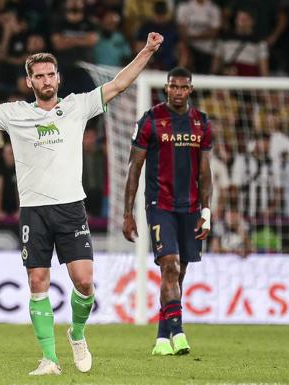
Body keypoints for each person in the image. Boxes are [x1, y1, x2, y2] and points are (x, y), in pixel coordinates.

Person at [0, 32, 164, 375]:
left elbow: (118, 85)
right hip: (34, 211)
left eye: (50, 74)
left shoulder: (76, 106)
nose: (46, 80)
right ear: (30, 81)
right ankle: (49, 359)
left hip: (71, 206)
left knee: (85, 281)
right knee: (37, 283)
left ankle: (76, 333)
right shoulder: (15, 114)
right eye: (39, 76)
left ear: (58, 77)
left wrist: (146, 50)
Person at [122, 67, 212, 356]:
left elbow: (205, 172)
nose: (177, 92)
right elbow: (134, 168)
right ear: (166, 87)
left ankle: (162, 338)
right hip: (160, 206)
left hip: (190, 208)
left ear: (190, 90)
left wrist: (206, 211)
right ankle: (179, 332)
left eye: (183, 88)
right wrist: (127, 213)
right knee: (169, 265)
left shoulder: (202, 123)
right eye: (173, 87)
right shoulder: (151, 121)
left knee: (178, 273)